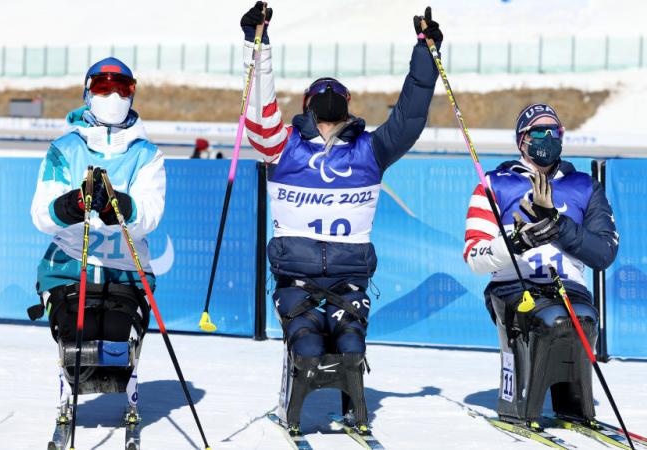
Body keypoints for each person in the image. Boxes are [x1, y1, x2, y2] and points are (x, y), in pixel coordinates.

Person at [239, 1, 441, 433]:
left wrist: (425, 54)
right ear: (310, 106)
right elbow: (258, 109)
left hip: (350, 280)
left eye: (337, 95)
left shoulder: (370, 149)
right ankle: (292, 404)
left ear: (347, 107)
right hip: (297, 278)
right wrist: (257, 44)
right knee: (308, 348)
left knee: (351, 348)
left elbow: (409, 118)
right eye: (321, 95)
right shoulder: (282, 146)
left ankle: (355, 404)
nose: (329, 100)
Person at [30, 56, 166, 427]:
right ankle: (70, 385)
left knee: (116, 337)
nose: (113, 95)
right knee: (81, 334)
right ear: (88, 93)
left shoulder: (146, 154)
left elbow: (150, 214)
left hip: (125, 271)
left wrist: (116, 206)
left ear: (132, 94)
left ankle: (126, 384)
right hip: (72, 267)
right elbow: (41, 214)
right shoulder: (65, 149)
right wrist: (72, 204)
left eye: (122, 88)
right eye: (104, 87)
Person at [463, 103, 619, 427]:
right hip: (513, 284)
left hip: (567, 286)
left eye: (554, 131)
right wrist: (517, 240)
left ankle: (575, 404)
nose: (548, 136)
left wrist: (558, 225)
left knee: (584, 319)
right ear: (522, 140)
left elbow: (604, 252)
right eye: (539, 131)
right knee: (550, 321)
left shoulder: (584, 186)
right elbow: (474, 256)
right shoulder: (495, 184)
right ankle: (521, 403)